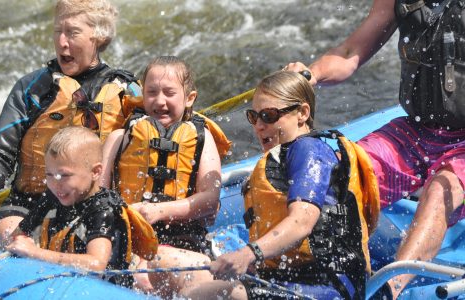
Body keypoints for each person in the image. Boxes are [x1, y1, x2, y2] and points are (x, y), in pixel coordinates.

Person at [285, 0, 465, 297]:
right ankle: (307, 265)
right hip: (416, 130)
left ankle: (389, 289)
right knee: (344, 174)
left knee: (439, 192)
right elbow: (348, 54)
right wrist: (308, 75)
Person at [184, 71, 380, 299]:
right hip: (289, 280)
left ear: (302, 113)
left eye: (268, 115)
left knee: (206, 294)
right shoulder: (283, 158)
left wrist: (248, 254)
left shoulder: (310, 151)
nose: (259, 126)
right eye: (254, 117)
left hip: (327, 288)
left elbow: (301, 222)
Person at [0, 0, 142, 248]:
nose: (62, 42)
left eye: (72, 33)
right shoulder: (33, 88)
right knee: (9, 235)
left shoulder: (127, 91)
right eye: (57, 31)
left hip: (98, 211)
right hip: (28, 206)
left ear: (99, 36)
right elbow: (0, 149)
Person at [101, 56, 231, 297]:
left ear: (189, 98)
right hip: (130, 244)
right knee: (140, 279)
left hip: (183, 241)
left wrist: (158, 211)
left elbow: (210, 200)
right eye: (151, 92)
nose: (159, 101)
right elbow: (98, 198)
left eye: (169, 93)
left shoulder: (203, 139)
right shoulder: (119, 139)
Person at [7, 126, 133, 286]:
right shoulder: (53, 196)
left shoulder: (102, 210)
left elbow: (96, 265)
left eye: (64, 175)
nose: (54, 183)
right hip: (60, 279)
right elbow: (20, 233)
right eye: (49, 175)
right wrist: (22, 242)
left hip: (103, 288)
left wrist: (35, 253)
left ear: (95, 171)